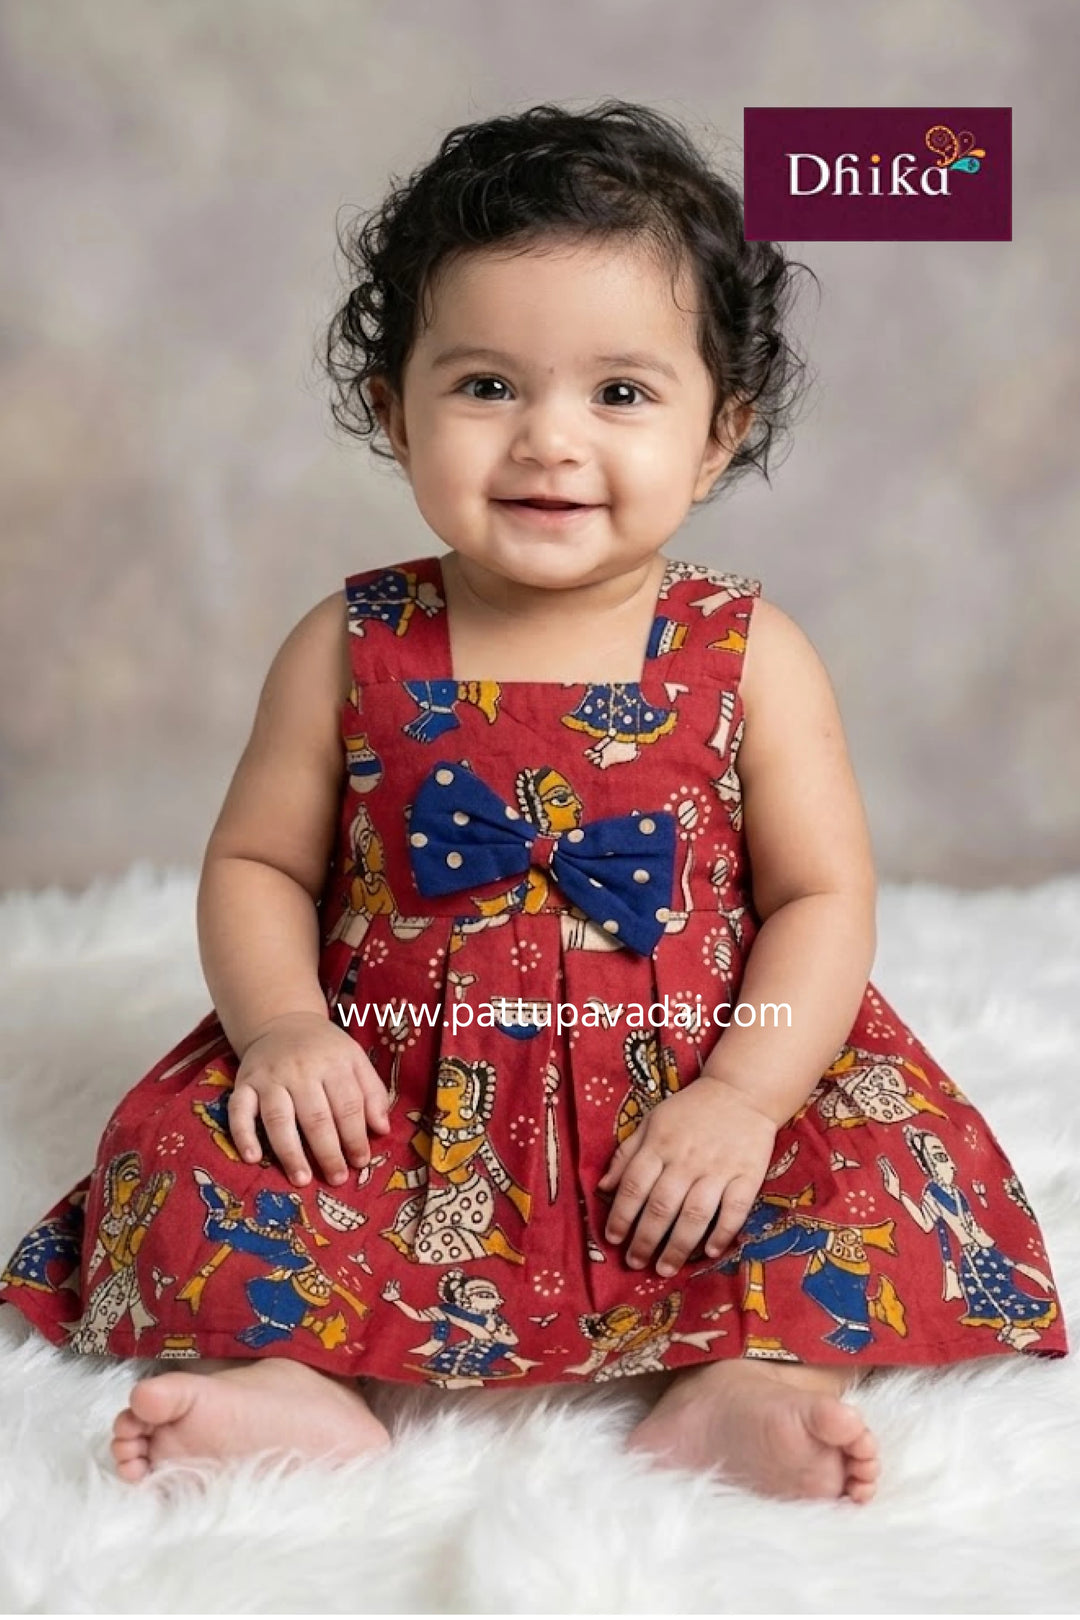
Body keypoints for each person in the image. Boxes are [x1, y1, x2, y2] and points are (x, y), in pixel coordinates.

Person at [0, 99, 1066, 1505]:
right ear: (394, 410)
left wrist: (747, 1097)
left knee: (857, 1171)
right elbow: (258, 861)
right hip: (398, 1079)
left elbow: (821, 896)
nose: (549, 442)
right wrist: (284, 1031)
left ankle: (749, 1380)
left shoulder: (749, 651)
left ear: (716, 432)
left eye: (620, 393)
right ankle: (297, 1380)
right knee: (197, 1156)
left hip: (683, 1083)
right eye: (488, 386)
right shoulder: (349, 641)